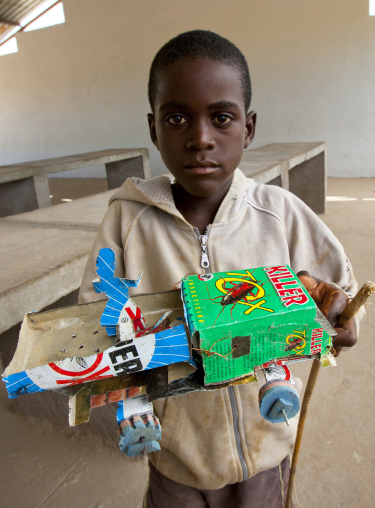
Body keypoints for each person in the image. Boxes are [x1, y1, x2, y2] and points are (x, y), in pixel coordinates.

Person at [79, 30, 358, 508]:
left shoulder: (281, 214)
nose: (200, 138)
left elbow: (344, 300)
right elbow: (95, 322)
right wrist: (128, 382)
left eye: (221, 118)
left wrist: (341, 319)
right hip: (176, 456)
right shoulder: (126, 221)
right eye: (177, 118)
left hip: (265, 445)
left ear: (248, 128)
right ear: (153, 129)